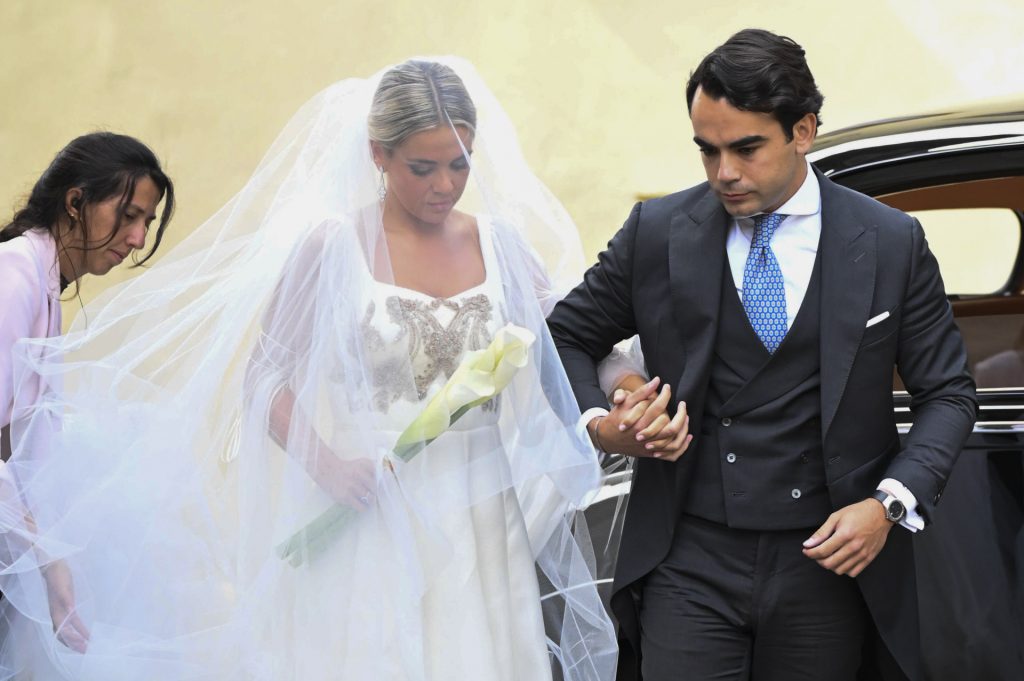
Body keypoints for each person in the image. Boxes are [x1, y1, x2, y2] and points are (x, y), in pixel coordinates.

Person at [0, 59, 637, 680]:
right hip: (369, 511)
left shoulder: (500, 245)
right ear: (378, 155)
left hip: (480, 516)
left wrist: (624, 389)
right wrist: (327, 463)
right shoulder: (332, 246)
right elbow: (264, 379)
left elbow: (573, 340)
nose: (445, 184)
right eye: (424, 166)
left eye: (460, 164)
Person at [548, 29, 977, 681]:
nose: (724, 172)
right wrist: (603, 427)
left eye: (745, 148)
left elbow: (948, 391)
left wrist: (887, 503)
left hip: (827, 565)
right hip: (688, 558)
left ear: (802, 130)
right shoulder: (658, 232)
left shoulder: (889, 241)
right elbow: (564, 335)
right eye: (707, 150)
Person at [0, 132, 174, 657]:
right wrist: (50, 561)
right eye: (129, 215)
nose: (138, 237)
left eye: (146, 221)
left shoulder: (44, 282)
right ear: (76, 202)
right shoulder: (16, 276)